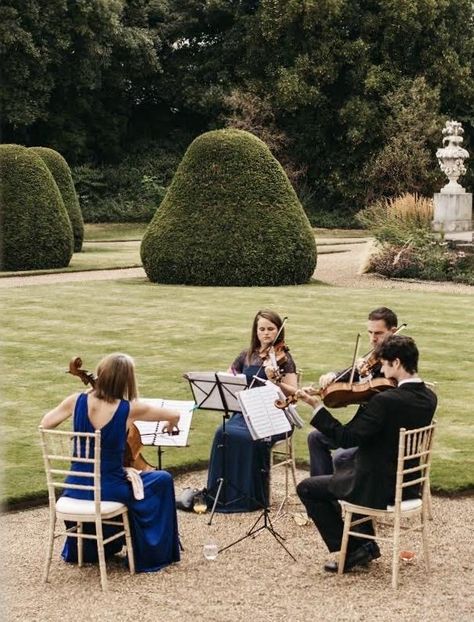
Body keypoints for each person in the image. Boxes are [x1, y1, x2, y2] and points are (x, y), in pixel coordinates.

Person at [296, 335, 437, 573]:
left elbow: (346, 438)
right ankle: (365, 545)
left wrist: (316, 406)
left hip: (377, 487)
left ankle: (354, 549)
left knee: (308, 488)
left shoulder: (385, 401)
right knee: (345, 467)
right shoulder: (429, 397)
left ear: (397, 363)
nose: (380, 368)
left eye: (384, 363)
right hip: (408, 484)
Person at [41, 352, 181, 573]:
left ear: (101, 374)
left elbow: (46, 423)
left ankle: (90, 547)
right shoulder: (130, 409)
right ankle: (151, 552)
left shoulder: (75, 400)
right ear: (126, 381)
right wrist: (171, 425)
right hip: (109, 488)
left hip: (74, 488)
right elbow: (173, 414)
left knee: (144, 481)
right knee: (162, 480)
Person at [206, 309, 298, 512]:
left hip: (274, 414)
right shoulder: (246, 356)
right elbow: (229, 378)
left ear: (278, 331)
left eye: (271, 329)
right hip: (247, 411)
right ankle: (223, 493)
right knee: (222, 432)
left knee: (250, 437)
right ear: (255, 331)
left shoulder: (285, 358)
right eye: (262, 329)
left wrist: (277, 382)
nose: (266, 333)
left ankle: (251, 496)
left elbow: (294, 393)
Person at [308, 307, 399, 476]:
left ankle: (343, 490)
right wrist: (333, 376)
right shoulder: (375, 356)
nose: (373, 339)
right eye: (370, 333)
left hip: (377, 434)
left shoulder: (397, 361)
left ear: (393, 331)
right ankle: (321, 492)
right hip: (361, 426)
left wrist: (365, 378)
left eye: (378, 333)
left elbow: (383, 393)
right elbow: (353, 373)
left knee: (340, 456)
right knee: (315, 438)